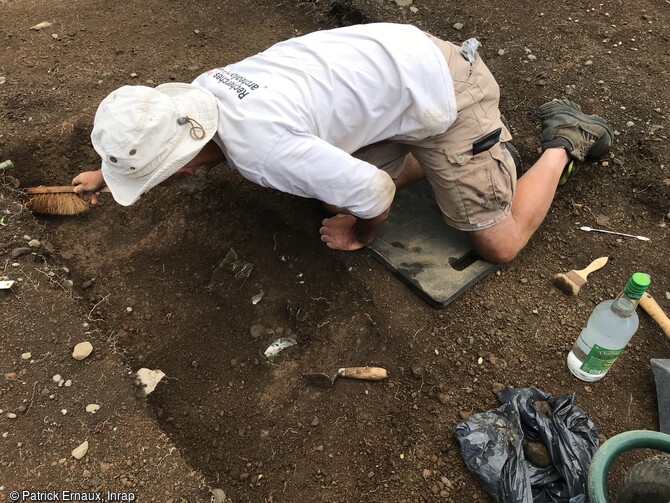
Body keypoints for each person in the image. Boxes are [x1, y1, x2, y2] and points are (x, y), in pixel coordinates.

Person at [72, 23, 612, 263]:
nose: (180, 176)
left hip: (449, 92)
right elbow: (148, 131)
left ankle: (564, 139)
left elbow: (376, 193)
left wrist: (361, 232)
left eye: (167, 172)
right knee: (330, 193)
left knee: (498, 245)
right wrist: (108, 170)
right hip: (392, 73)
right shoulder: (200, 95)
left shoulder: (264, 153)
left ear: (188, 160)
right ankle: (456, 164)